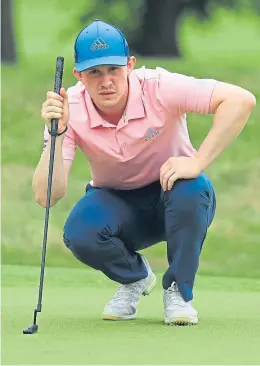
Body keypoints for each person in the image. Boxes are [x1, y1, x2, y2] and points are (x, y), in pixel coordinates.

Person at [34, 19, 256, 326]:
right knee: (80, 232)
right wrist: (56, 134)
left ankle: (178, 291)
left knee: (191, 186)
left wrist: (197, 162)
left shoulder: (159, 86)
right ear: (79, 75)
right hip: (116, 204)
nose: (106, 80)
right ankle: (136, 278)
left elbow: (241, 100)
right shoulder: (69, 107)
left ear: (130, 65)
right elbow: (47, 195)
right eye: (94, 72)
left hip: (175, 196)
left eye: (113, 69)